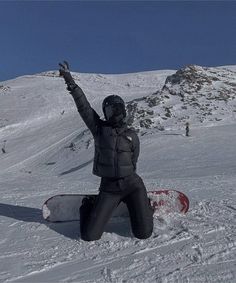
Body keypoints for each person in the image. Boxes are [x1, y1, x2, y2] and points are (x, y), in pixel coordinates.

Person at [59, 61, 153, 241]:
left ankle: (144, 206)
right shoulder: (99, 130)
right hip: (109, 188)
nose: (115, 113)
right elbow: (84, 107)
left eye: (118, 108)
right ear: (105, 113)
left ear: (124, 111)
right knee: (89, 235)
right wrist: (70, 81)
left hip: (133, 185)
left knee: (144, 234)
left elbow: (134, 160)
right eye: (111, 109)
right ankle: (90, 205)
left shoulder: (132, 135)